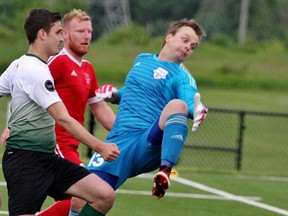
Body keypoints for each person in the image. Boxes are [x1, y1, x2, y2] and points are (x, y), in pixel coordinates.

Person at [72, 18, 208, 214]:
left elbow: (189, 102)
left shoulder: (183, 77)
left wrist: (198, 109)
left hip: (148, 140)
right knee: (81, 198)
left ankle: (165, 171)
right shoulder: (142, 59)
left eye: (193, 46)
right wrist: (115, 94)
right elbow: (133, 91)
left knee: (176, 105)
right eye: (185, 40)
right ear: (168, 37)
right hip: (119, 141)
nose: (188, 47)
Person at [0, 8, 119, 216]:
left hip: (48, 160)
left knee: (104, 195)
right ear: (42, 34)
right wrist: (99, 146)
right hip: (25, 161)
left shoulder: (21, 64)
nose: (61, 39)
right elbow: (63, 118)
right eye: (57, 33)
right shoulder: (35, 70)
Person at [36, 9, 116, 216]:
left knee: (76, 201)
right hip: (53, 142)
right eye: (80, 31)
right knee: (82, 197)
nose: (87, 35)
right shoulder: (58, 61)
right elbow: (30, 90)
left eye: (89, 31)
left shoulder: (88, 69)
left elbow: (98, 107)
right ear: (65, 34)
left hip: (71, 145)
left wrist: (128, 132)